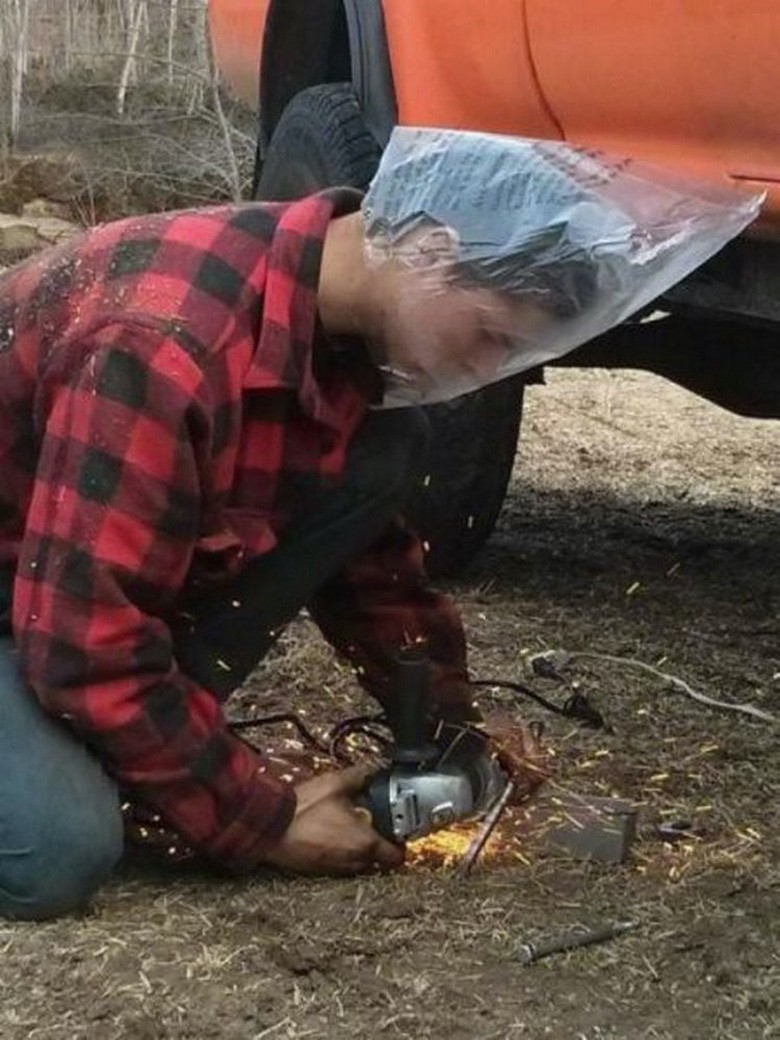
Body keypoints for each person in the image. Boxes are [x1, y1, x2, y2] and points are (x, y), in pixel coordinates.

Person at [1, 127, 739, 920]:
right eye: (491, 334)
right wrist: (263, 821)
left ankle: (100, 740)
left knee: (385, 450)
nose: (485, 369)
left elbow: (373, 575)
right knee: (57, 850)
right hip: (47, 611)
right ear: (429, 249)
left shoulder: (335, 324)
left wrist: (453, 729)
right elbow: (82, 638)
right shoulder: (161, 342)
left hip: (60, 592)